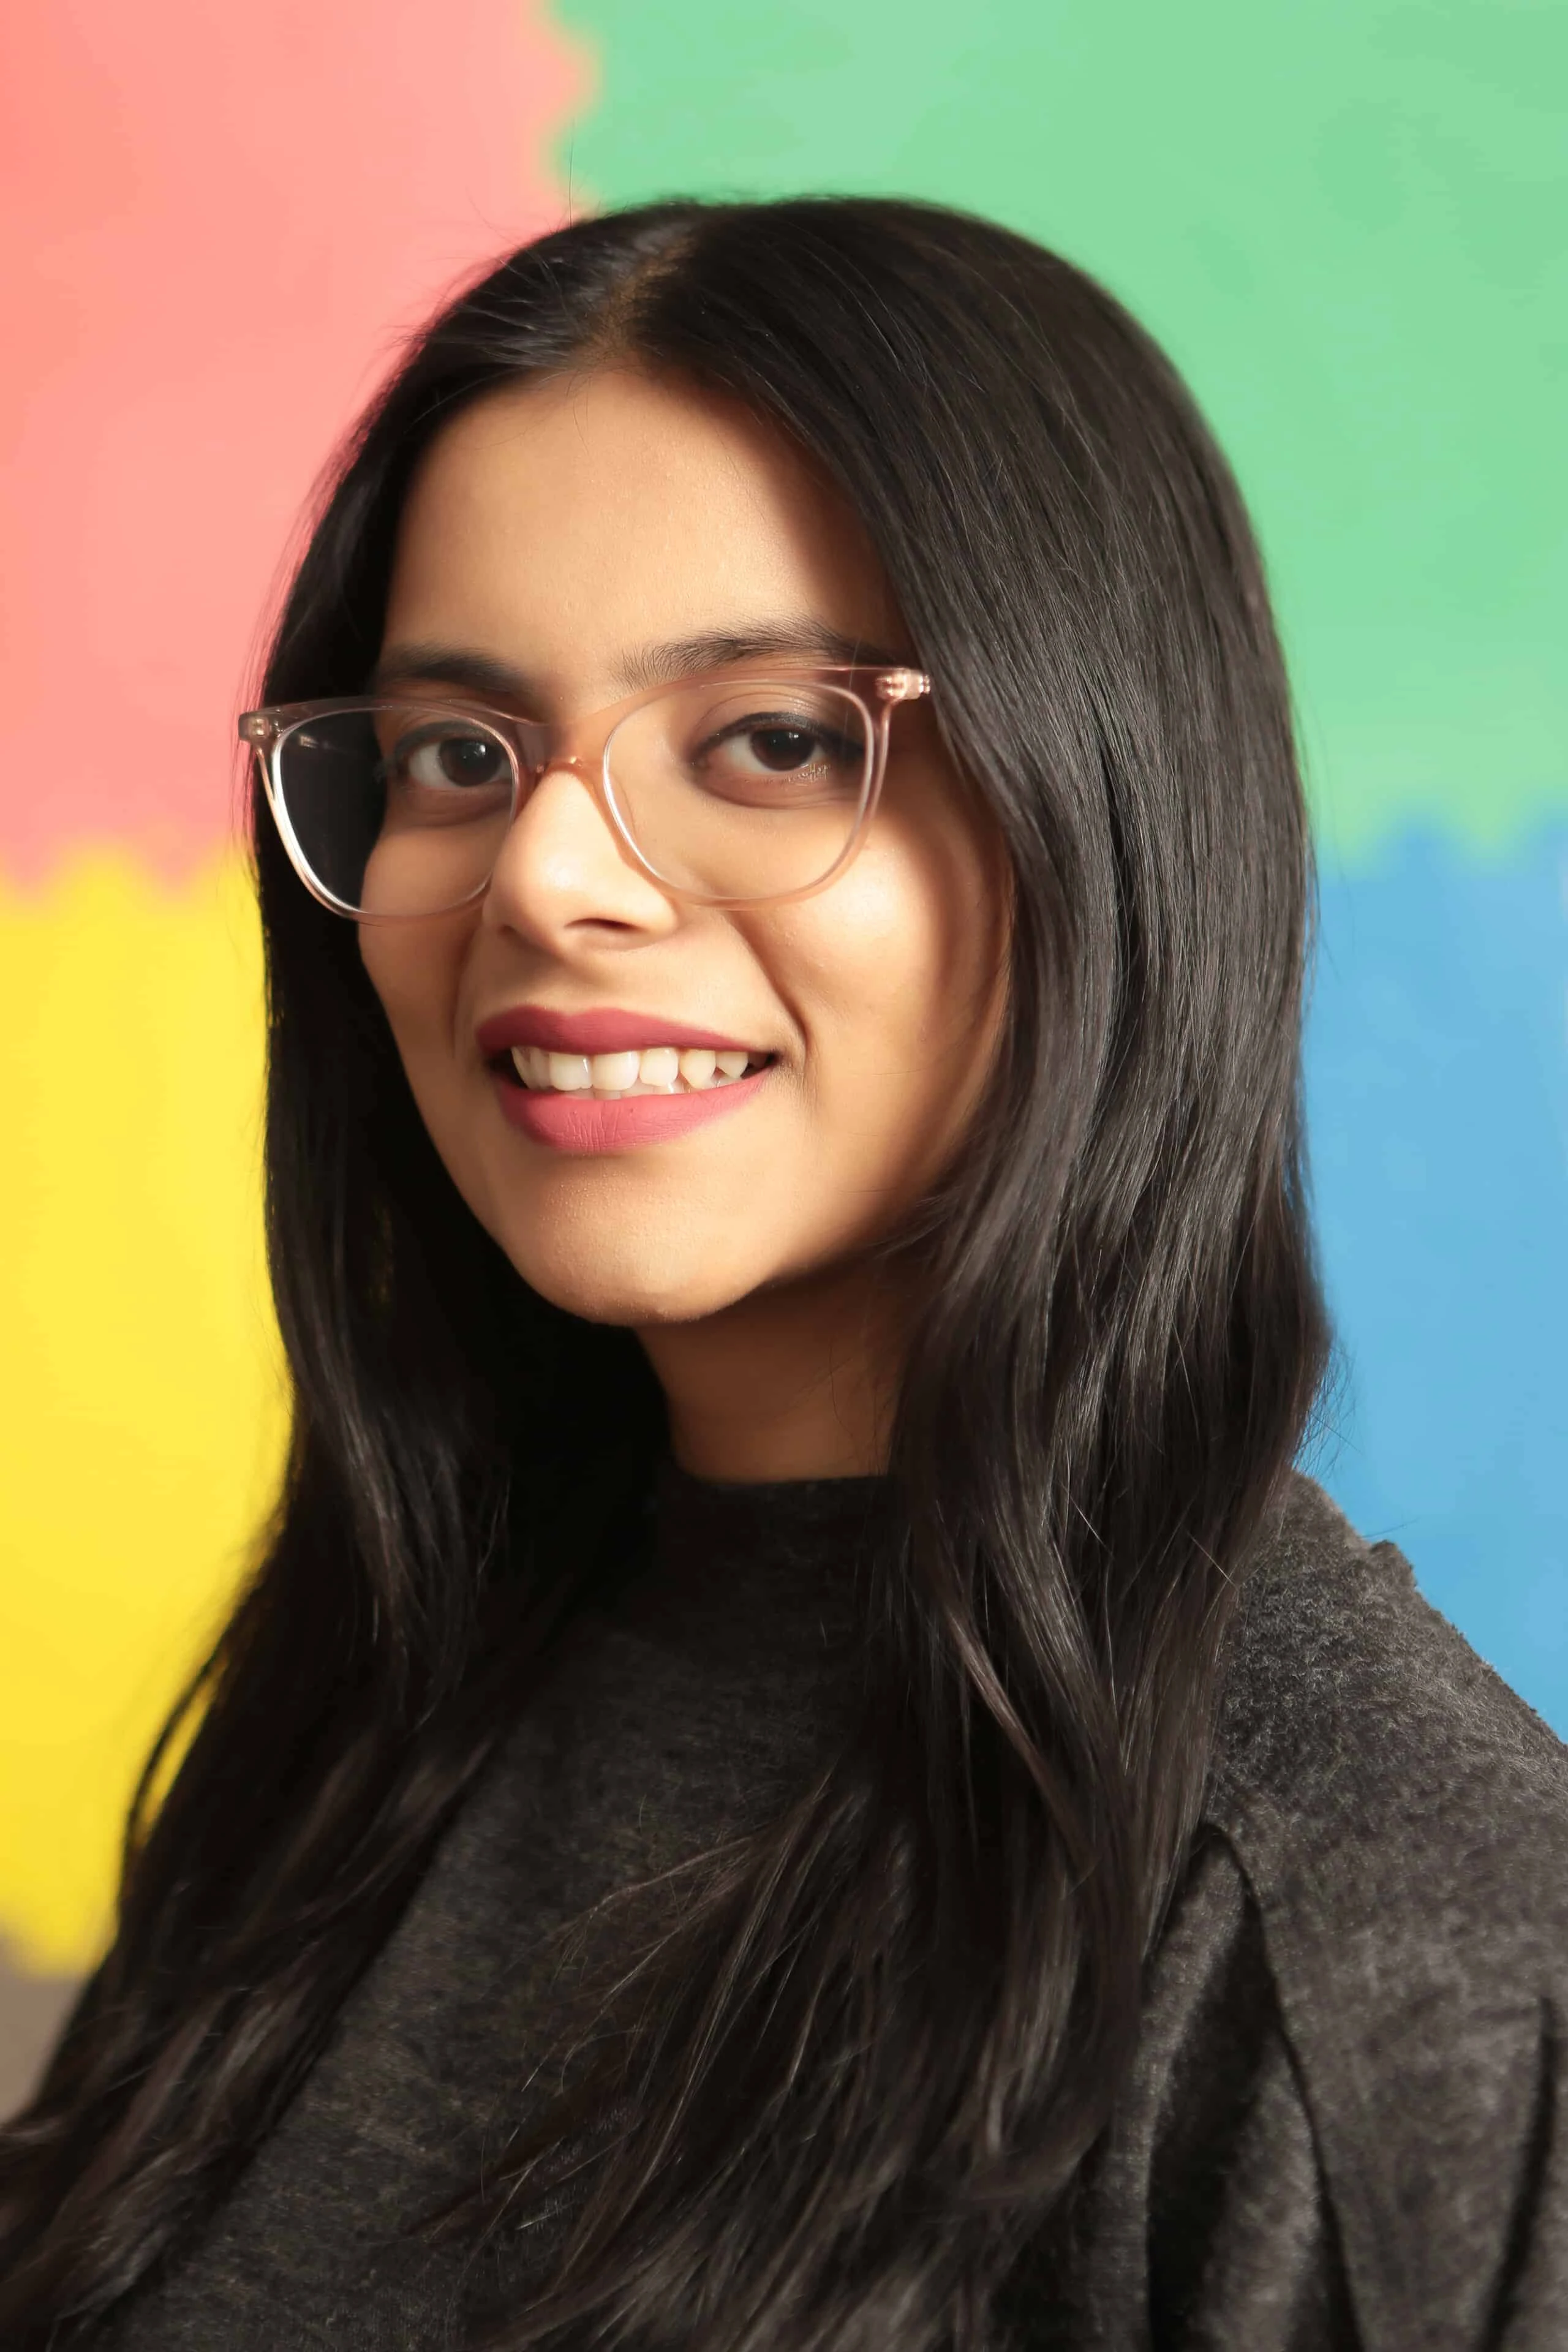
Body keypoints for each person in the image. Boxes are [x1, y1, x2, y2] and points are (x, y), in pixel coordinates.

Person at [1, 196, 1562, 2351]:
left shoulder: (1368, 1955)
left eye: (771, 738)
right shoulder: (359, 1723)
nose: (544, 878)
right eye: (461, 754)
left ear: (1101, 810)